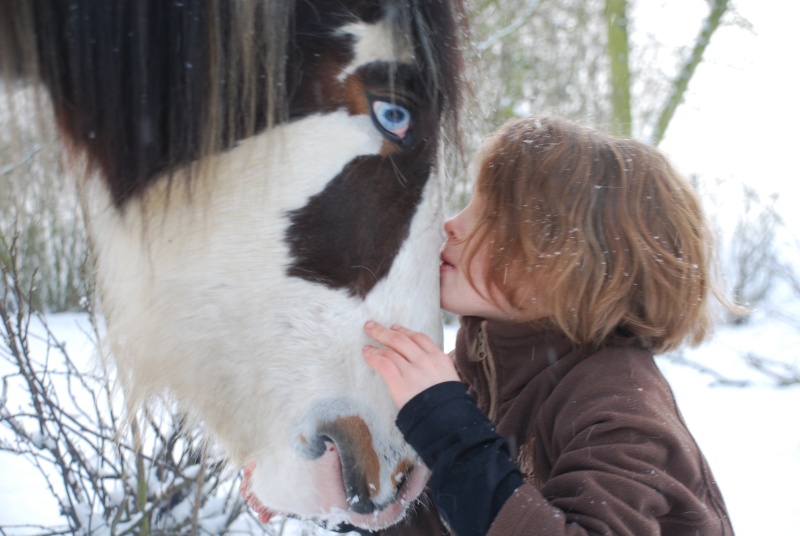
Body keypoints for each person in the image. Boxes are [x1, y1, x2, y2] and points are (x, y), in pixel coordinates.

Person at [360, 116, 736, 535]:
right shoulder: (472, 378)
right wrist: (327, 492)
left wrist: (449, 429)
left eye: (494, 217)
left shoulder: (619, 405)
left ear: (577, 265)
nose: (452, 224)